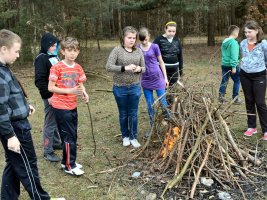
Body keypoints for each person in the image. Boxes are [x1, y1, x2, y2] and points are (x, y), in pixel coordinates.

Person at [0, 29, 62, 200]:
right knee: (28, 165)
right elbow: (0, 109)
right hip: (15, 129)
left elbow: (10, 97)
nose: (18, 55)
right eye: (16, 51)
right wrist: (11, 136)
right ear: (3, 49)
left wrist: (25, 106)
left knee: (13, 165)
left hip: (15, 124)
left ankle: (7, 197)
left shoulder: (4, 69)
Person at [48, 37, 89, 176]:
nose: (73, 54)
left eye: (75, 51)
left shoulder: (78, 67)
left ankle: (68, 160)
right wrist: (69, 91)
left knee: (73, 135)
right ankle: (69, 166)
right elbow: (50, 87)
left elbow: (80, 83)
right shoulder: (57, 67)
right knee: (68, 136)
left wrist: (84, 92)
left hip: (72, 105)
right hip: (60, 106)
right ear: (63, 51)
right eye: (70, 50)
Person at [106, 26, 145, 148]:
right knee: (123, 113)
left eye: (134, 38)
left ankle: (133, 137)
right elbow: (108, 66)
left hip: (134, 87)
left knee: (133, 113)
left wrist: (139, 69)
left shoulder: (138, 51)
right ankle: (125, 136)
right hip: (120, 88)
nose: (132, 40)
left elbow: (144, 68)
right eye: (129, 37)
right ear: (123, 37)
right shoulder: (117, 50)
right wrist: (124, 68)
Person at [34, 32, 62, 162]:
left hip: (58, 93)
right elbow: (39, 80)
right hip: (50, 96)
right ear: (45, 45)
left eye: (55, 45)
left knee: (56, 120)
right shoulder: (41, 58)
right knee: (50, 123)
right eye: (51, 45)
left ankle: (55, 142)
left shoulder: (54, 56)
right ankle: (48, 150)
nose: (53, 47)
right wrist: (48, 96)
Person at [239, 20, 267, 140]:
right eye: (245, 32)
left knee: (260, 102)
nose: (247, 34)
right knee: (249, 100)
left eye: (249, 32)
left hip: (259, 76)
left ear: (256, 31)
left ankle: (265, 130)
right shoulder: (242, 43)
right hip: (244, 75)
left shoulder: (264, 43)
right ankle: (252, 127)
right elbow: (243, 57)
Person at [138, 27, 169, 126]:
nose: (144, 42)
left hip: (158, 78)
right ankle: (153, 127)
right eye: (142, 40)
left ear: (149, 36)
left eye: (146, 39)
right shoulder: (138, 48)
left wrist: (165, 78)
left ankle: (172, 124)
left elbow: (161, 62)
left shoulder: (155, 47)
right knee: (150, 105)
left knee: (163, 103)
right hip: (146, 80)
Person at [153, 21, 183, 86]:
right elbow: (153, 55)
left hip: (174, 71)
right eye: (169, 31)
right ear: (165, 29)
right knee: (163, 90)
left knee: (172, 92)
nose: (171, 33)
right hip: (162, 71)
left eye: (173, 31)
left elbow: (180, 56)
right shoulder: (158, 40)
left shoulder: (177, 40)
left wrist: (181, 72)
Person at [218, 25, 242, 104]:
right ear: (235, 33)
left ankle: (221, 97)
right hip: (231, 65)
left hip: (224, 64)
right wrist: (234, 66)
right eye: (238, 33)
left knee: (224, 81)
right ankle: (235, 98)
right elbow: (234, 55)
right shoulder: (234, 43)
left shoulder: (224, 41)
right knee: (237, 80)